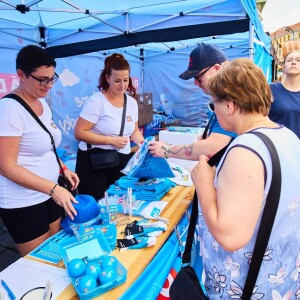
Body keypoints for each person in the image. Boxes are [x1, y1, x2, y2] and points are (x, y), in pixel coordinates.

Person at [191, 58, 300, 297]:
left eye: (214, 105)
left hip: (247, 286)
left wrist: (204, 183)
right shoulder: (289, 137)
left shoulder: (245, 150)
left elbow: (230, 236)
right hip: (282, 280)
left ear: (229, 106)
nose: (215, 111)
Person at [0, 45, 79, 256]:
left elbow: (47, 147)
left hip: (49, 192)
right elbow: (6, 167)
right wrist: (53, 188)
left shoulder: (42, 103)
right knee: (39, 262)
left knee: (55, 250)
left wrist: (63, 169)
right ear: (21, 75)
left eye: (52, 78)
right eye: (42, 79)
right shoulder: (9, 109)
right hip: (23, 200)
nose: (49, 85)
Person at [74, 53, 144, 200]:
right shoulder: (96, 101)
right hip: (94, 161)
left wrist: (144, 145)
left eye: (125, 80)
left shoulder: (131, 103)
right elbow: (79, 132)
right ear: (107, 78)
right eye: (117, 81)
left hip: (121, 160)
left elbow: (135, 131)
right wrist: (111, 140)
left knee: (121, 201)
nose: (122, 85)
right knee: (95, 203)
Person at [148, 43, 236, 160]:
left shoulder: (230, 99)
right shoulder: (225, 96)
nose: (196, 83)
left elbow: (212, 147)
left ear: (217, 69)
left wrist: (167, 149)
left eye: (198, 77)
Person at [269, 50, 300, 138]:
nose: (293, 63)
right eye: (290, 60)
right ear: (283, 67)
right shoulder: (269, 90)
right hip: (276, 145)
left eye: (298, 60)